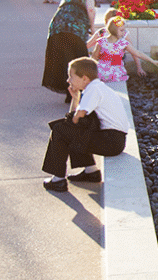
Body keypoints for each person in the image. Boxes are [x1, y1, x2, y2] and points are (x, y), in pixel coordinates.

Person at [41, 56, 130, 191]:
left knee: (60, 130)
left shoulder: (93, 89)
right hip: (115, 140)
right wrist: (75, 98)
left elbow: (77, 117)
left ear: (84, 78)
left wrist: (68, 126)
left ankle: (58, 179)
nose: (68, 80)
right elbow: (76, 119)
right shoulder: (98, 87)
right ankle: (91, 172)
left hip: (111, 141)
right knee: (74, 128)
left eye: (71, 76)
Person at [41, 0, 97, 100]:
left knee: (64, 61)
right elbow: (91, 10)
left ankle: (71, 93)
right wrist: (92, 27)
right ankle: (78, 93)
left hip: (56, 30)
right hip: (74, 30)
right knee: (79, 61)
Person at [87, 16, 158, 83]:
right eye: (121, 30)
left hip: (114, 72)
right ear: (113, 30)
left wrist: (151, 60)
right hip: (104, 72)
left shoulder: (123, 43)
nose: (124, 32)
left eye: (124, 30)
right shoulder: (101, 42)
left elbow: (137, 53)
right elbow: (94, 57)